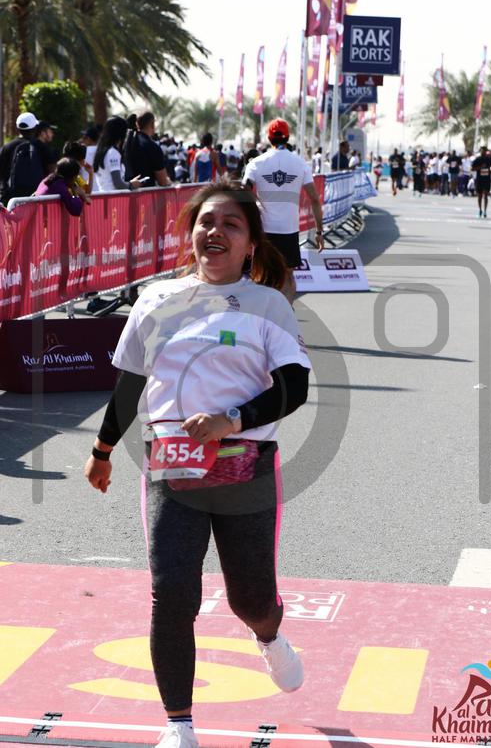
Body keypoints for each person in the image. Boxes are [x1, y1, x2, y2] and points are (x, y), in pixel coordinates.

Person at [84, 179, 310, 748]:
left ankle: (269, 635)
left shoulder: (268, 305)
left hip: (245, 470)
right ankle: (179, 724)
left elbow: (295, 386)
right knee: (173, 593)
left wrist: (232, 419)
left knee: (249, 599)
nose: (215, 231)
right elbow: (130, 384)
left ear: (251, 243)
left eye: (231, 224)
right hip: (172, 469)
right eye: (206, 222)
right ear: (190, 234)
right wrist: (103, 450)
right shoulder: (156, 300)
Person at [242, 118, 324, 303]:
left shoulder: (256, 163)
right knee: (287, 275)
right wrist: (319, 232)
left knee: (261, 275)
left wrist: (246, 228)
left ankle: (265, 314)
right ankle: (286, 311)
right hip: (289, 229)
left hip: (264, 230)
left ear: (269, 138)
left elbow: (243, 195)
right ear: (287, 137)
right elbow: (314, 198)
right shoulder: (300, 163)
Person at [0, 112, 53, 204]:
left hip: (11, 199)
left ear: (18, 128)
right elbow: (51, 172)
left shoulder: (7, 147)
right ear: (35, 128)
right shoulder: (42, 147)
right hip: (36, 198)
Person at [93, 116, 142, 192]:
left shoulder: (102, 151)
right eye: (126, 131)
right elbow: (117, 183)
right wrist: (131, 185)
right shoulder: (113, 153)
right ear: (121, 133)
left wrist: (130, 183)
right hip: (115, 197)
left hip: (105, 195)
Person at [123, 112, 172, 187]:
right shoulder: (152, 146)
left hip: (127, 191)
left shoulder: (127, 143)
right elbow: (162, 181)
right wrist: (168, 181)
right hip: (146, 192)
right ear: (152, 124)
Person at [471, 145, 491, 218]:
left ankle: (485, 211)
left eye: (484, 150)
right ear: (480, 151)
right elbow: (472, 169)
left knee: (486, 195)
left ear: (486, 151)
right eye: (481, 150)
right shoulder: (477, 159)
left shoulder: (489, 159)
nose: (483, 152)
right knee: (480, 196)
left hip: (487, 179)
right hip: (479, 179)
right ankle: (480, 210)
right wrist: (480, 167)